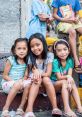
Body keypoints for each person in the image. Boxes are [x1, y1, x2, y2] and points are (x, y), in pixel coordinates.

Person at [24, 33, 62, 117]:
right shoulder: (31, 57)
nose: (35, 48)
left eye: (38, 45)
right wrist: (36, 72)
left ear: (43, 44)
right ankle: (29, 109)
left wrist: (39, 73)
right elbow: (33, 71)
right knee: (38, 79)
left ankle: (55, 108)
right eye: (32, 46)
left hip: (45, 81)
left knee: (46, 79)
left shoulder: (49, 55)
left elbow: (48, 73)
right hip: (33, 82)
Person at [50, 39, 82, 117]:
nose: (63, 52)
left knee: (71, 81)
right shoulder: (55, 62)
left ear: (69, 50)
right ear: (56, 52)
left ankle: (79, 107)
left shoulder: (70, 60)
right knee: (65, 81)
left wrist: (69, 81)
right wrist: (68, 77)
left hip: (63, 82)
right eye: (59, 50)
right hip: (54, 83)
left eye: (65, 49)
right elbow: (59, 77)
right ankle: (67, 109)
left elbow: (70, 76)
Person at [1, 38, 32, 117]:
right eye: (19, 48)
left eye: (24, 48)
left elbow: (25, 76)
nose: (21, 51)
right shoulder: (11, 60)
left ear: (27, 50)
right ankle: (5, 108)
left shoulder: (27, 61)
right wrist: (16, 83)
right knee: (17, 84)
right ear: (14, 50)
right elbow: (5, 75)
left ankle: (20, 108)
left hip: (20, 85)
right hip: (7, 84)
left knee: (28, 84)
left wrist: (21, 82)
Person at [51, 0, 82, 72]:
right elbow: (54, 14)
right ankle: (76, 60)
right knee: (72, 32)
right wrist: (63, 19)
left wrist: (77, 18)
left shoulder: (75, 0)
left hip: (73, 22)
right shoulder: (57, 0)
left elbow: (77, 14)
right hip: (62, 22)